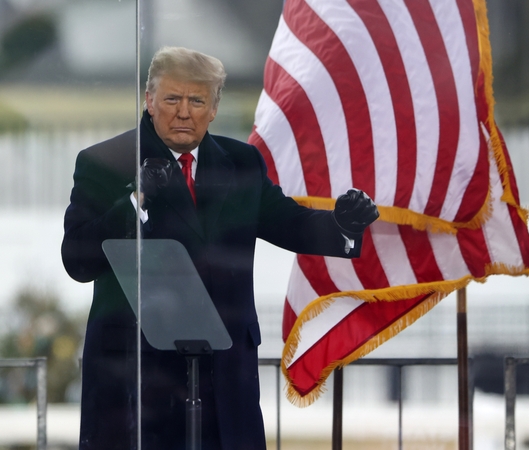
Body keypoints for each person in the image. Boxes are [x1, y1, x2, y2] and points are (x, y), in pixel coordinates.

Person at [61, 46, 379, 450]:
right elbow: (78, 259)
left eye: (197, 101)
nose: (184, 112)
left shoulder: (242, 162)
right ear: (149, 100)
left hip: (224, 377)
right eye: (172, 99)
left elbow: (289, 222)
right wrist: (136, 201)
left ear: (213, 108)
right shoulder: (107, 162)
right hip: (138, 381)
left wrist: (342, 224)